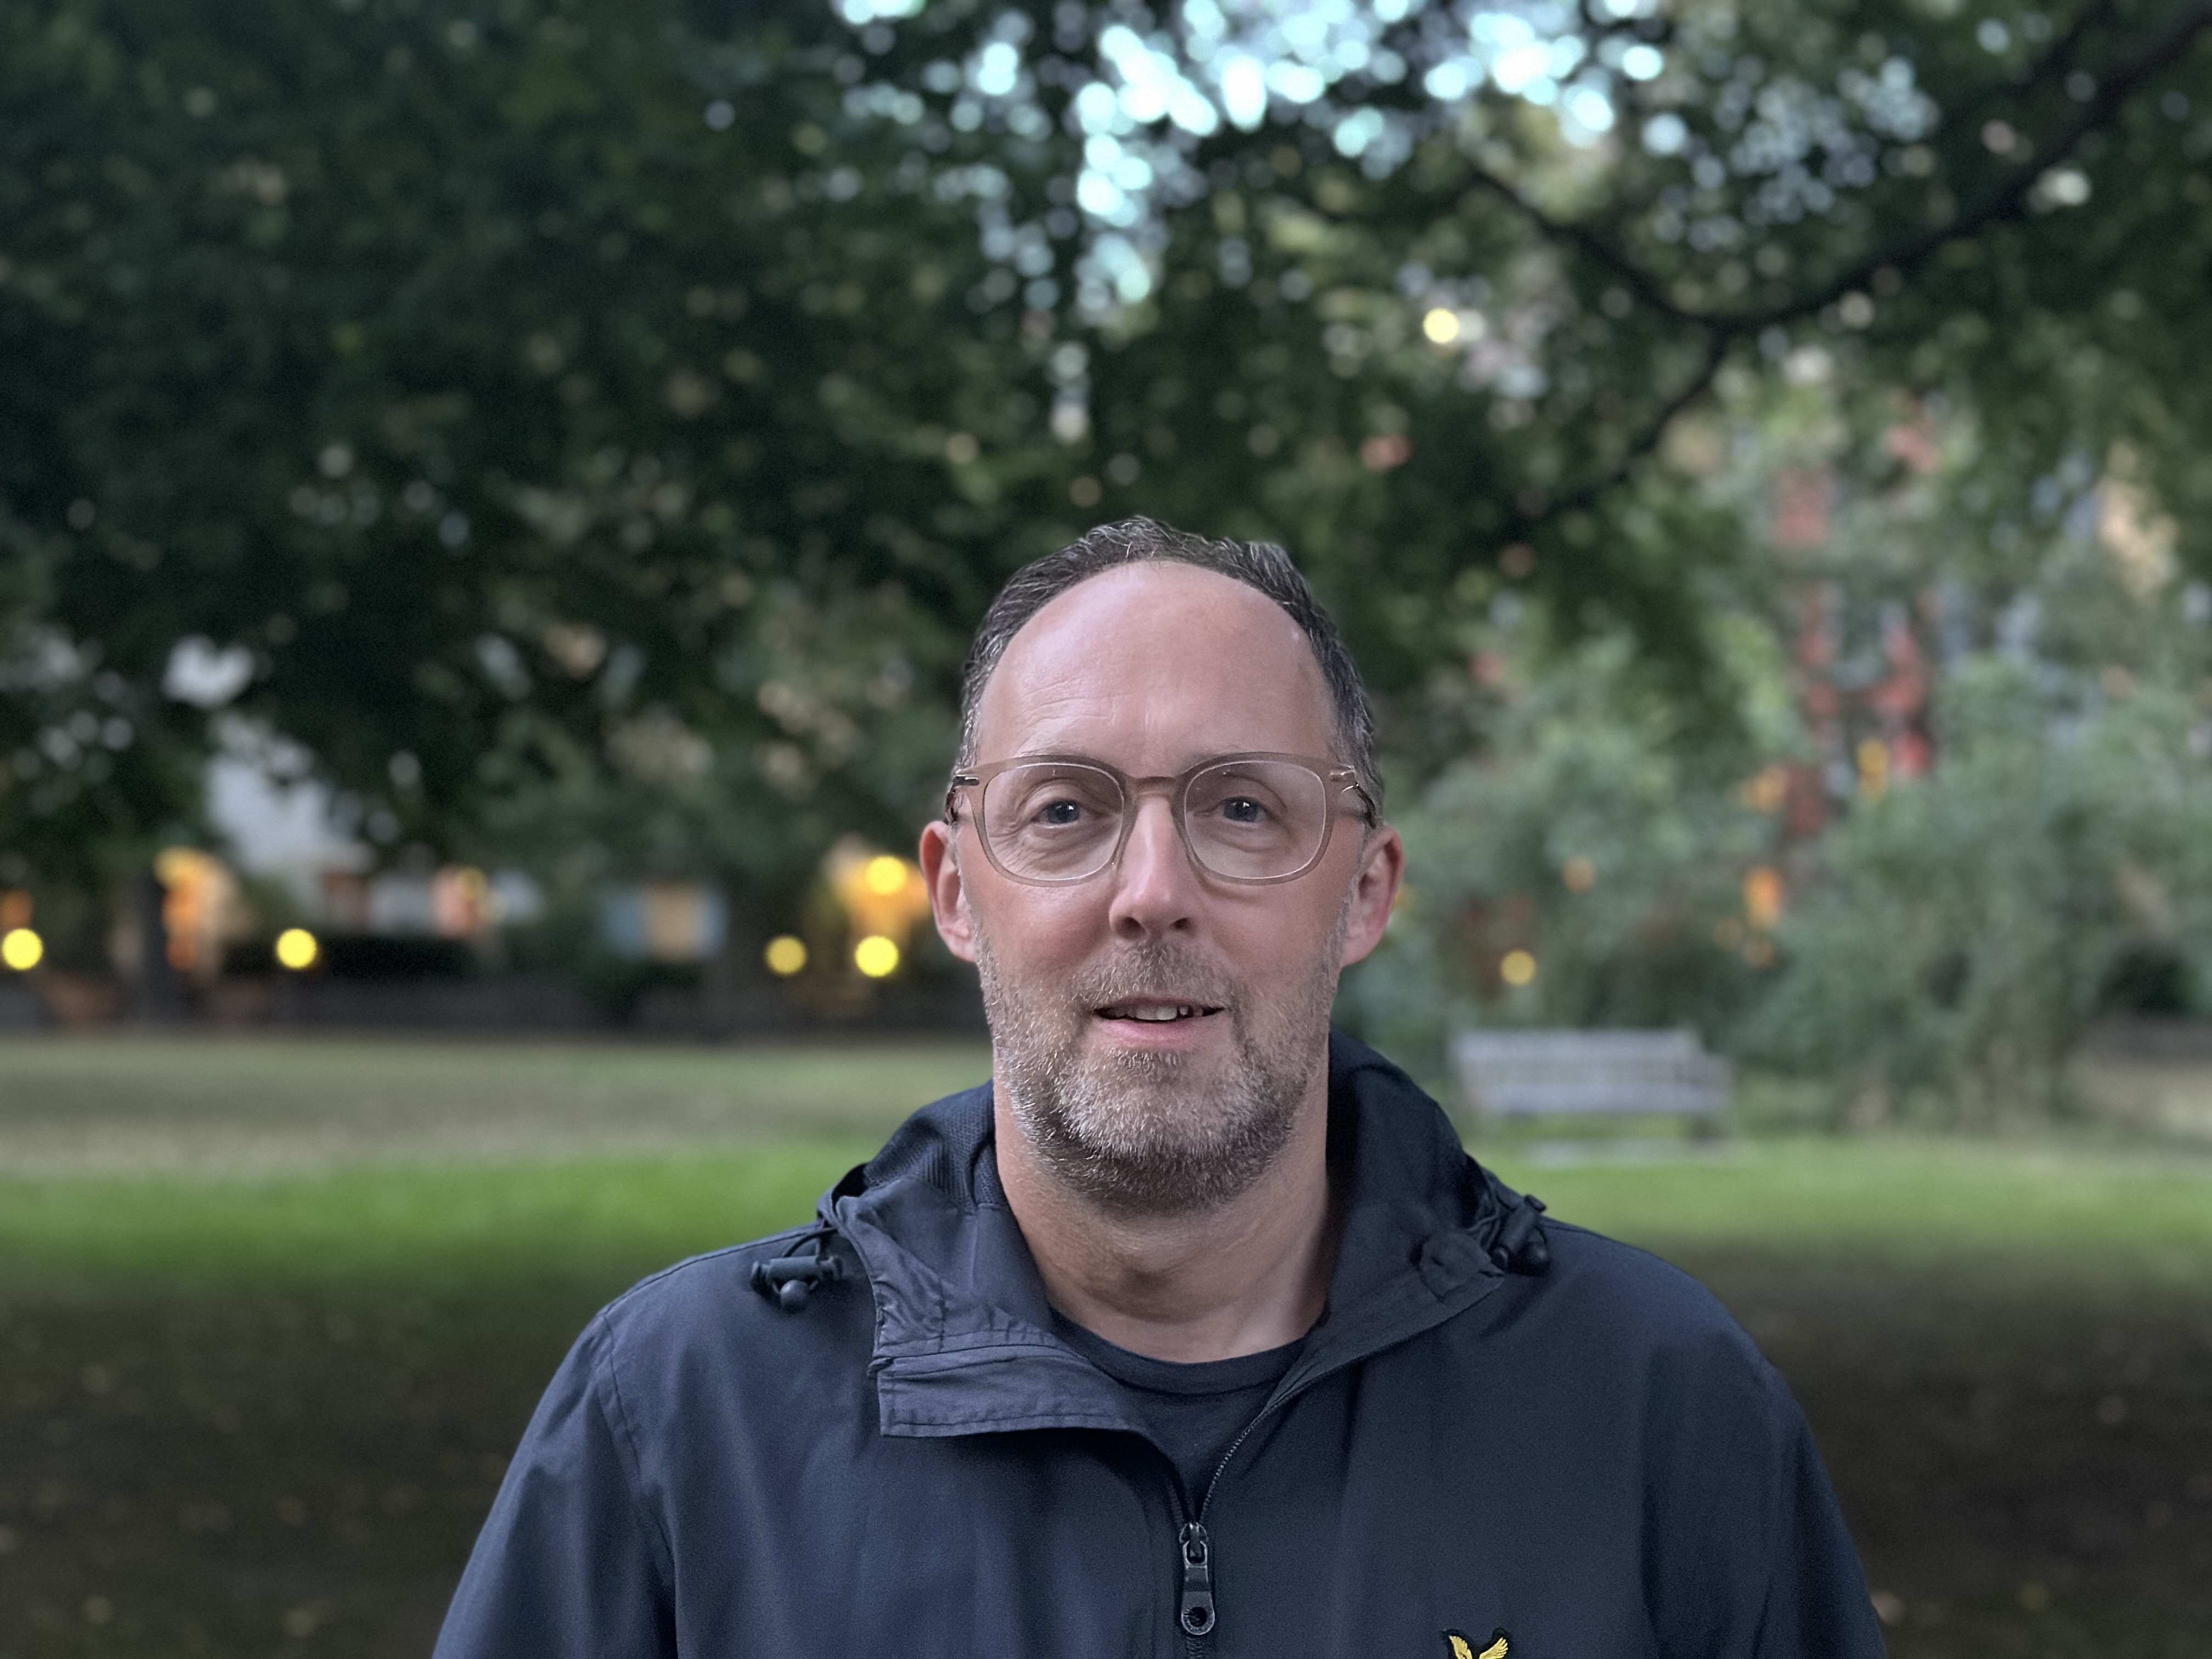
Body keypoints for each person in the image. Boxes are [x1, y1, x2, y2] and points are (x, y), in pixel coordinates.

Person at [435, 518, 1884, 1658]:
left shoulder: (1656, 1407)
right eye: (1065, 810)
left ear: (1364, 891)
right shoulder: (683, 1420)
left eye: (1241, 808)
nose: (1150, 892)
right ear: (957, 891)